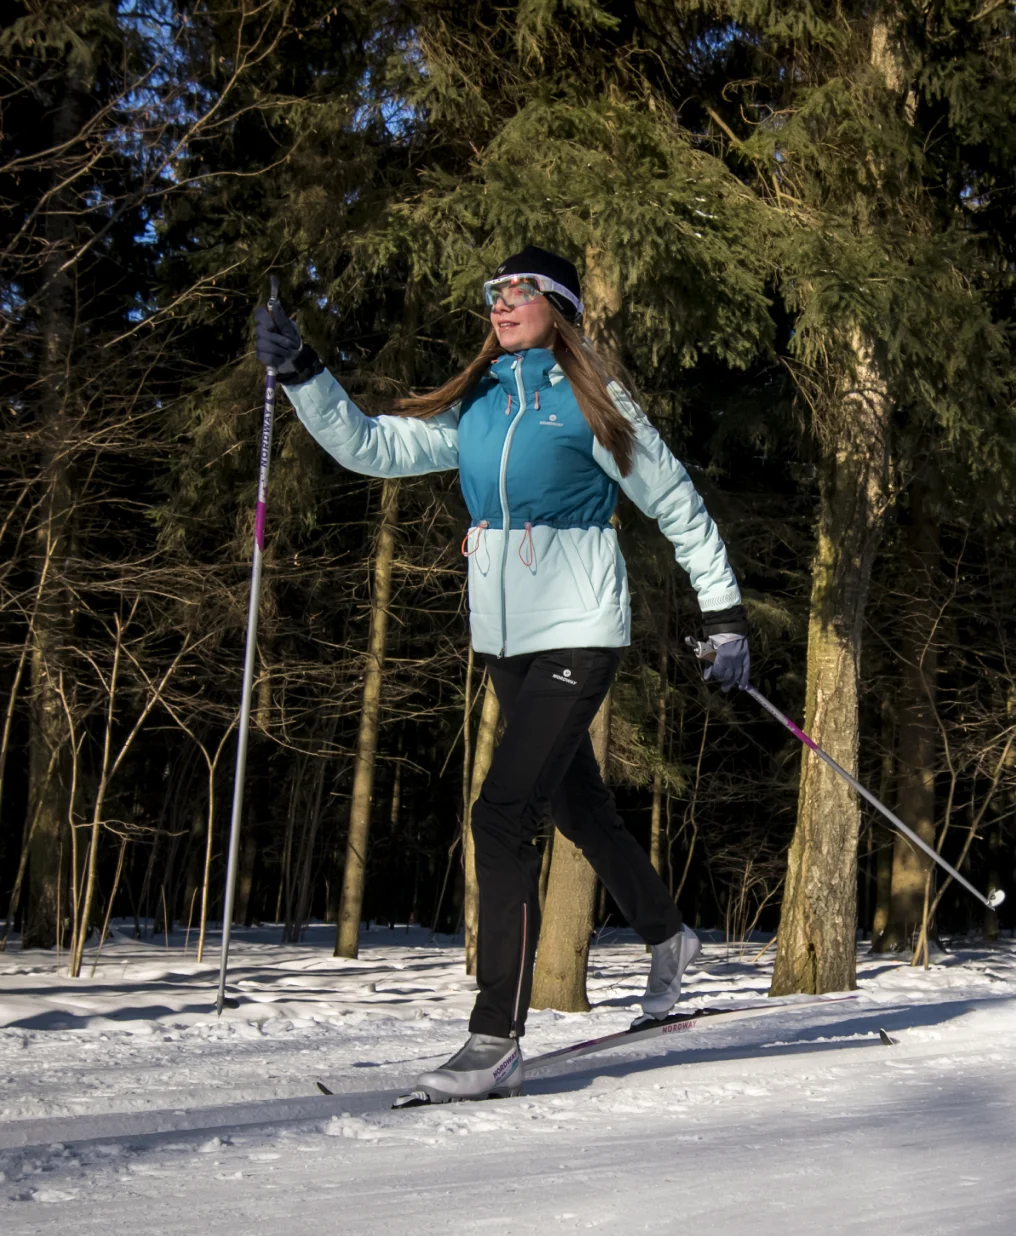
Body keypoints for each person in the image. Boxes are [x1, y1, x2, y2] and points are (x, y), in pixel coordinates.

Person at [255, 245, 750, 1103]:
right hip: (504, 642)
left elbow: (675, 503)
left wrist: (726, 616)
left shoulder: (592, 403)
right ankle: (669, 939)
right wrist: (305, 372)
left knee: (501, 812)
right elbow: (370, 446)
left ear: (556, 305)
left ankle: (496, 1035)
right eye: (492, 292)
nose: (500, 303)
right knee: (578, 806)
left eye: (518, 291)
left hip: (580, 630)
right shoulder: (478, 403)